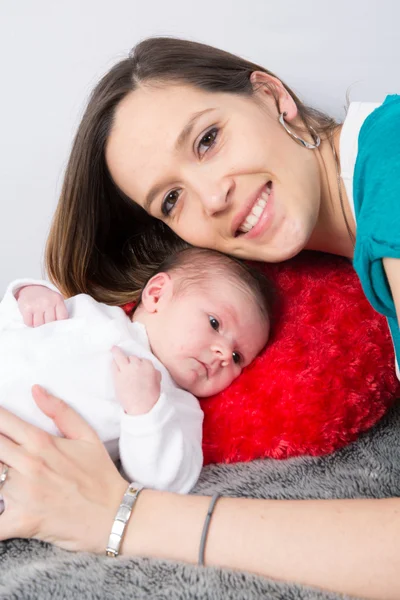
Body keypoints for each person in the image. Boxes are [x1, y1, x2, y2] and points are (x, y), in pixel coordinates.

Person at [1, 36, 400, 599]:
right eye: (171, 200)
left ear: (271, 95)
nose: (211, 199)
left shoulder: (393, 163)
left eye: (208, 140)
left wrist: (118, 517)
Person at [0, 246, 270, 498]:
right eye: (214, 323)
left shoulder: (175, 406)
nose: (224, 354)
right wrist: (29, 293)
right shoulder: (91, 311)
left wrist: (144, 410)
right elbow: (12, 324)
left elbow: (166, 480)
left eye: (238, 357)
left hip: (16, 465)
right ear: (157, 295)